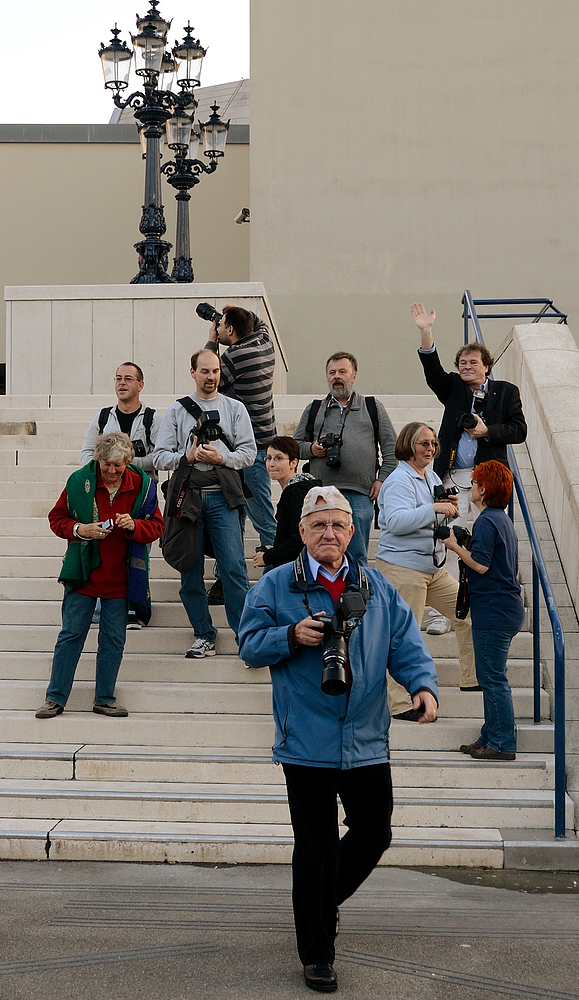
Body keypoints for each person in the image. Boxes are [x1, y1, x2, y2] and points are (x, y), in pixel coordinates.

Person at [239, 485, 438, 993]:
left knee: (375, 834)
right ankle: (317, 952)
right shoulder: (277, 584)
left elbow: (405, 643)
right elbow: (248, 645)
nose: (329, 533)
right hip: (305, 738)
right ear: (302, 531)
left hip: (367, 736)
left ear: (353, 532)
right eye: (319, 524)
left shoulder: (376, 586)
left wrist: (422, 687)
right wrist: (291, 636)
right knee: (317, 846)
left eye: (338, 525)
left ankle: (317, 906)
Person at [410, 301, 527, 632]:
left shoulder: (506, 393)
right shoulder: (455, 390)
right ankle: (444, 614)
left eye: (473, 363)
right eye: (462, 363)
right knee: (447, 541)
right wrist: (426, 332)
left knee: (489, 541)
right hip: (453, 478)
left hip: (488, 480)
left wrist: (486, 430)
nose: (466, 367)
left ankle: (489, 604)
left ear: (487, 366)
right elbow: (433, 372)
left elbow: (519, 430)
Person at [35, 432, 164, 720]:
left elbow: (156, 527)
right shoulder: (79, 481)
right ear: (98, 460)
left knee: (114, 639)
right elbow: (57, 520)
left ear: (128, 462)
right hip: (83, 575)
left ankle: (105, 699)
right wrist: (83, 530)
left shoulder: (142, 486)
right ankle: (54, 699)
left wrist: (134, 526)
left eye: (118, 465)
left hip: (121, 577)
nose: (112, 471)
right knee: (70, 636)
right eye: (107, 465)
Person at [153, 349, 256, 658]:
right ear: (192, 372)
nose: (211, 377)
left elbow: (249, 453)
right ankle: (203, 634)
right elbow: (159, 456)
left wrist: (220, 457)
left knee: (235, 569)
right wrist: (188, 457)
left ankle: (245, 636)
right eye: (205, 371)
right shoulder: (176, 411)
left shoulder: (235, 408)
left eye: (215, 371)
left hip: (223, 497)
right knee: (190, 570)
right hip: (189, 498)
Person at [375, 422, 478, 720]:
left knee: (467, 611)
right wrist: (434, 508)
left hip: (432, 568)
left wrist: (448, 507)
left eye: (433, 443)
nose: (430, 449)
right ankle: (400, 703)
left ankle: (472, 677)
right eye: (424, 443)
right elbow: (393, 521)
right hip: (403, 569)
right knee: (403, 635)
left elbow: (433, 518)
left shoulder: (430, 475)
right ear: (408, 445)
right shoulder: (398, 481)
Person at [442, 461, 525, 761]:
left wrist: (454, 546)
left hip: (495, 609)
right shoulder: (498, 519)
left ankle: (502, 743)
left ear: (484, 489)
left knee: (492, 678)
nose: (472, 486)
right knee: (490, 675)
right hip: (503, 608)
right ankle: (489, 736)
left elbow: (481, 564)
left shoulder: (489, 521)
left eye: (475, 482)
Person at [293, 352, 397, 566]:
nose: (337, 377)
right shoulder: (315, 409)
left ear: (354, 376)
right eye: (332, 373)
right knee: (320, 553)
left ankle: (357, 596)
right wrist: (312, 448)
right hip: (320, 494)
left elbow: (391, 448)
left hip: (360, 494)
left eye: (342, 372)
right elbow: (293, 447)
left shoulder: (372, 407)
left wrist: (382, 479)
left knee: (356, 555)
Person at [204, 303, 278, 602]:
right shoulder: (264, 343)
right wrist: (227, 313)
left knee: (257, 519)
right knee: (241, 517)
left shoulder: (232, 357)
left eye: (222, 325)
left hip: (246, 450)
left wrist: (212, 339)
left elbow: (207, 377)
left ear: (230, 331)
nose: (218, 328)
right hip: (259, 447)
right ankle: (228, 579)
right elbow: (258, 323)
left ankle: (272, 577)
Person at [80, 361, 161, 629]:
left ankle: (136, 607)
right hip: (105, 493)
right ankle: (101, 605)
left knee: (138, 551)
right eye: (118, 378)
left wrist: (129, 462)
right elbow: (85, 454)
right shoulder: (103, 417)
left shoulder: (152, 419)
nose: (122, 383)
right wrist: (103, 468)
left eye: (128, 378)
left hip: (139, 496)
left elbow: (163, 457)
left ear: (140, 384)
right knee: (105, 549)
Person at [252, 436, 322, 571]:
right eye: (268, 458)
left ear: (293, 463)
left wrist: (268, 557)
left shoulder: (296, 493)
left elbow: (300, 539)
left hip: (300, 571)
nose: (271, 464)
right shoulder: (297, 489)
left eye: (278, 458)